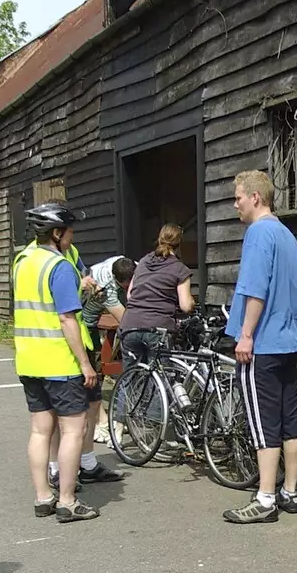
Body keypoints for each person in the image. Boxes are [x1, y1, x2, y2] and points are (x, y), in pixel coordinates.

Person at [222, 170, 297, 525]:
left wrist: (246, 333)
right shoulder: (287, 235)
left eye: (238, 197)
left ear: (255, 197)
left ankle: (265, 499)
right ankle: (289, 491)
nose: (235, 205)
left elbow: (254, 287)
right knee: (291, 417)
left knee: (263, 421)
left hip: (262, 344)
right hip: (288, 341)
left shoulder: (258, 233)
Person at [14, 203, 102, 523]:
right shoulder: (59, 266)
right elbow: (67, 319)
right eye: (69, 231)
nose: (72, 236)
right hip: (59, 361)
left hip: (28, 359)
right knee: (73, 430)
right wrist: (85, 363)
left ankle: (42, 497)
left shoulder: (22, 261)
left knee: (40, 431)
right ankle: (67, 500)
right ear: (57, 233)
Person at [117, 223, 195, 367]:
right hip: (158, 329)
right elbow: (185, 306)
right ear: (180, 244)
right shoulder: (179, 269)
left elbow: (130, 295)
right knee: (159, 377)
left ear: (159, 239)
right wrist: (192, 302)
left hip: (130, 325)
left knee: (130, 378)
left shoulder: (143, 262)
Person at [79, 253, 135, 450]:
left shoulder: (129, 265)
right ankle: (101, 422)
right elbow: (127, 320)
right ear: (116, 280)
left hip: (93, 316)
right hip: (85, 323)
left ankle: (106, 419)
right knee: (91, 376)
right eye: (125, 286)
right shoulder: (106, 287)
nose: (128, 288)